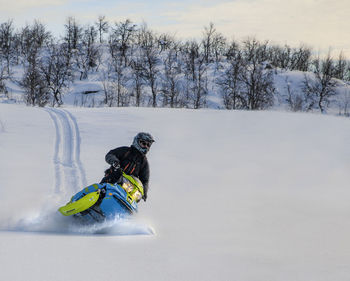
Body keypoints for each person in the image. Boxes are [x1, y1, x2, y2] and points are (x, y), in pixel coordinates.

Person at [100, 132, 155, 201]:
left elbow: (145, 180)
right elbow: (110, 155)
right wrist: (115, 162)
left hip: (128, 188)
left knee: (134, 198)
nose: (146, 146)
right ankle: (94, 198)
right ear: (137, 141)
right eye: (143, 143)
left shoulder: (144, 162)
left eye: (148, 145)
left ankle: (124, 210)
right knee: (102, 190)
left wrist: (144, 192)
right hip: (113, 178)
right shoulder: (125, 151)